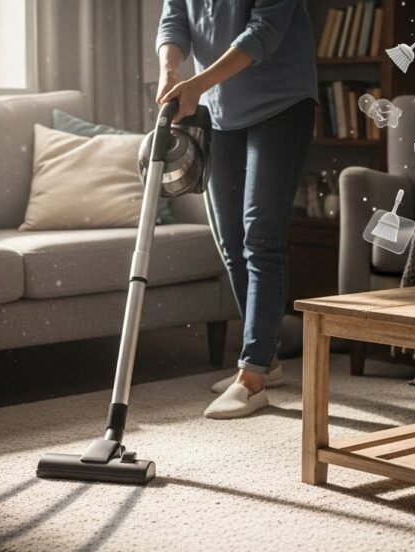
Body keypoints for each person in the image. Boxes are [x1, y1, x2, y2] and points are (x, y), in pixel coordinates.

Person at [156, 0, 317, 419]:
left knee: (260, 238)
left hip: (280, 103)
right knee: (231, 241)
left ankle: (252, 376)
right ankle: (268, 357)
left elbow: (263, 32)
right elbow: (175, 17)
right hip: (220, 108)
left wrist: (197, 83)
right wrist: (170, 71)